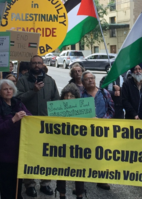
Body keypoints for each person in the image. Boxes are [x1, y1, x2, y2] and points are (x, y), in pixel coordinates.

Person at [16, 55, 60, 197]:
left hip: (46, 125)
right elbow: (17, 100)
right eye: (34, 63)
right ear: (30, 65)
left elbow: (56, 100)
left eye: (39, 63)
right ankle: (30, 184)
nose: (36, 65)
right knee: (30, 154)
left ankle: (45, 183)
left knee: (46, 155)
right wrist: (32, 91)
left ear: (43, 64)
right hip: (29, 125)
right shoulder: (22, 81)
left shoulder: (50, 81)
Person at [81, 70, 114, 190]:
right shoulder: (80, 95)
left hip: (102, 130)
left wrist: (102, 121)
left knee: (102, 155)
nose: (90, 80)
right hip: (86, 131)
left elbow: (111, 110)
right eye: (87, 79)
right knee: (84, 155)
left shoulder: (104, 93)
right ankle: (81, 183)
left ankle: (102, 179)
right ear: (83, 83)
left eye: (92, 78)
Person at [0, 79, 31, 199]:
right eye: (5, 89)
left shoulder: (18, 103)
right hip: (4, 154)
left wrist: (28, 117)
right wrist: (12, 120)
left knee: (17, 184)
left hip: (19, 151)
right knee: (7, 186)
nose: (8, 91)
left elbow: (30, 117)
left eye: (11, 89)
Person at [56, 83, 86, 199]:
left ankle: (79, 194)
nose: (68, 98)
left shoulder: (83, 110)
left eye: (71, 96)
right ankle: (61, 194)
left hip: (78, 145)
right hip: (62, 145)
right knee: (61, 171)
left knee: (79, 171)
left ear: (76, 97)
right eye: (66, 96)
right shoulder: (57, 109)